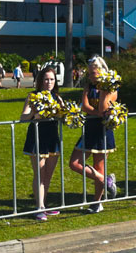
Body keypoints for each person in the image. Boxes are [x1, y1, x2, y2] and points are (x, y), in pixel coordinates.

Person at [68, 55, 117, 213]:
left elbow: (104, 108)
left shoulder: (111, 88)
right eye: (89, 73)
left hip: (103, 131)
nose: (90, 76)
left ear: (102, 72)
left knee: (99, 166)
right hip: (89, 128)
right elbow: (84, 106)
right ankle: (106, 180)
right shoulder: (89, 86)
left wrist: (103, 90)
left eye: (93, 73)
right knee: (74, 163)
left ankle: (97, 202)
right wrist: (98, 113)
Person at [20, 66, 63, 221]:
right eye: (46, 79)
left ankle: (44, 205)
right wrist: (33, 113)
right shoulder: (32, 96)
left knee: (48, 175)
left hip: (52, 138)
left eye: (52, 79)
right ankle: (39, 207)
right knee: (40, 174)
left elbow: (64, 115)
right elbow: (23, 117)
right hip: (37, 137)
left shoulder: (57, 97)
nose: (49, 82)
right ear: (40, 80)